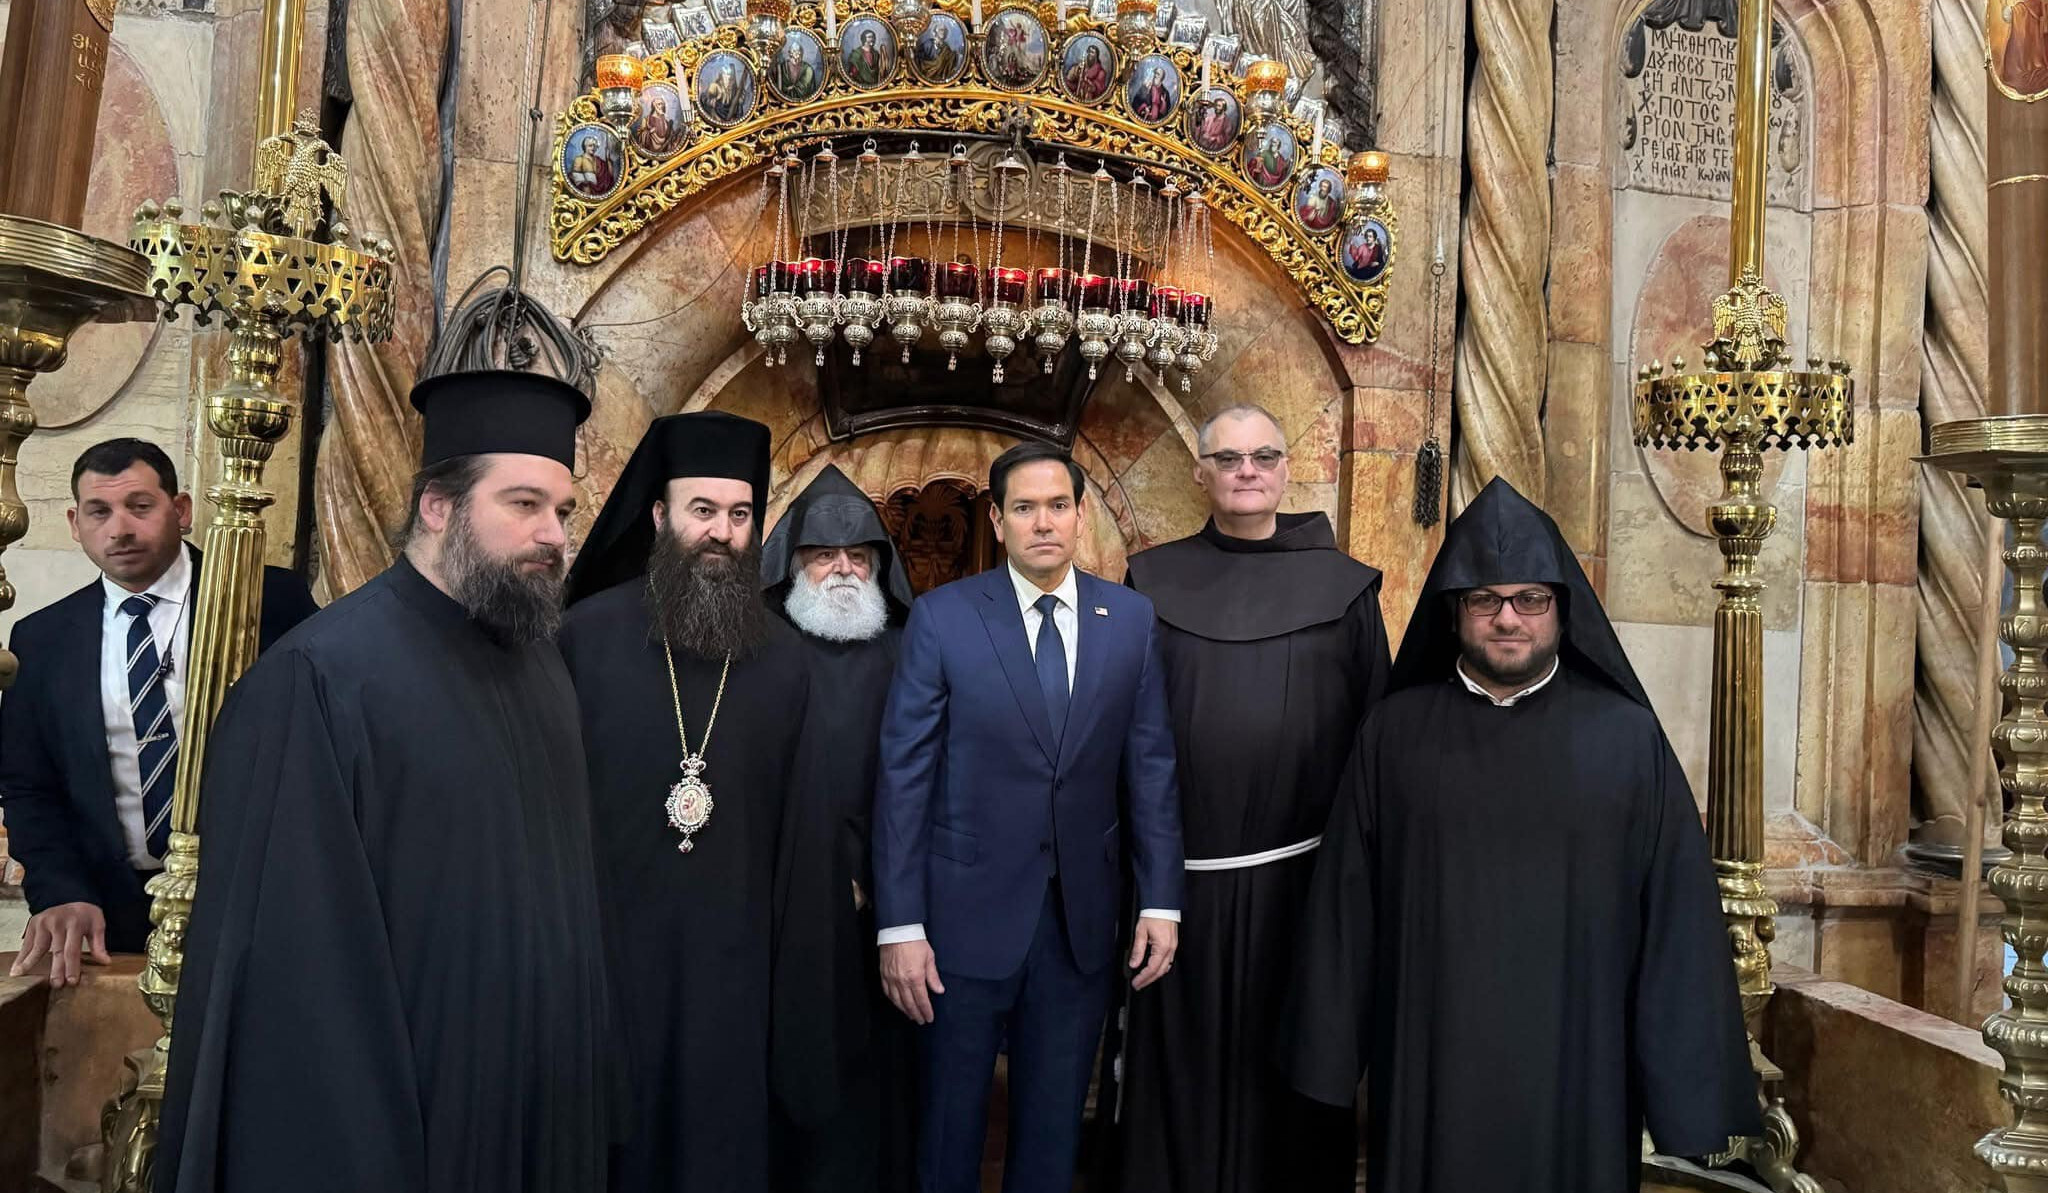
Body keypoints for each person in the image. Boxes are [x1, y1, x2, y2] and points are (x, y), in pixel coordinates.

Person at [156, 370, 618, 1193]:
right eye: (524, 504)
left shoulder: (542, 665)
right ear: (437, 506)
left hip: (536, 1113)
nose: (553, 533)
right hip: (413, 1123)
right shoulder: (315, 680)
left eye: (563, 510)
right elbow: (297, 985)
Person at [1282, 478, 1761, 1193]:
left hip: (1580, 1067)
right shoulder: (1395, 734)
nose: (1508, 618)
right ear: (1455, 613)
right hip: (1430, 1060)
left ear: (1561, 610)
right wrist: (1325, 1057)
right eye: (1485, 599)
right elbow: (1345, 910)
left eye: (1530, 598)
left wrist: (1687, 1091)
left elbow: (1677, 921)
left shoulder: (1627, 740)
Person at [873, 440, 1183, 1193]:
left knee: (1051, 1142)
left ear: (1080, 515)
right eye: (1024, 508)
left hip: (1080, 927)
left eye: (1057, 506)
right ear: (998, 520)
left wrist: (1161, 901)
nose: (1043, 522)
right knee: (947, 1137)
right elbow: (904, 778)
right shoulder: (943, 618)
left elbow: (1150, 768)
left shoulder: (1131, 620)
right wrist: (900, 925)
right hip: (958, 927)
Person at [1112, 405, 1390, 1193]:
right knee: (1184, 1080)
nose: (1247, 471)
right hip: (1178, 892)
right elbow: (1126, 739)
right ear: (1199, 473)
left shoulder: (1345, 590)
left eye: (1264, 456)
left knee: (1292, 1073)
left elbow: (1376, 738)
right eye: (1229, 458)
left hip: (1303, 891)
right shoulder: (1149, 582)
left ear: (1286, 470)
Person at [559, 412, 825, 1192]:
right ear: (658, 515)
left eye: (740, 515)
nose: (722, 533)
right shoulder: (583, 639)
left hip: (735, 978)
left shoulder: (786, 661)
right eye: (702, 510)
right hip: (609, 967)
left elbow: (802, 843)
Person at [0, 439, 316, 986]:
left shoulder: (271, 601)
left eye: (139, 506)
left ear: (182, 510)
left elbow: (322, 750)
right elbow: (30, 785)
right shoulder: (42, 638)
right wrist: (59, 891)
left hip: (266, 901)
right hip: (114, 914)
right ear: (75, 524)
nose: (119, 529)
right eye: (99, 512)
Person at [761, 464, 919, 1193]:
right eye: (824, 555)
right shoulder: (757, 650)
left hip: (880, 908)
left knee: (874, 1083)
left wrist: (870, 879)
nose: (844, 569)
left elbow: (918, 781)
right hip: (783, 902)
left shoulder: (907, 650)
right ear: (793, 563)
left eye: (858, 555)